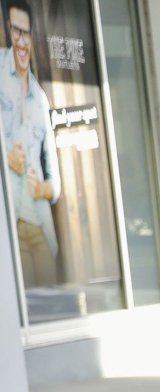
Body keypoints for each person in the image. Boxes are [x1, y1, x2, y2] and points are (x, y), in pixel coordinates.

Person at [1, 0, 56, 285]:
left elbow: (54, 180)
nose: (22, 42)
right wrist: (5, 157)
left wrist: (45, 189)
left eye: (27, 33)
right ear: (8, 32)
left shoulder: (40, 99)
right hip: (10, 224)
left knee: (51, 303)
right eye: (16, 32)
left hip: (39, 224)